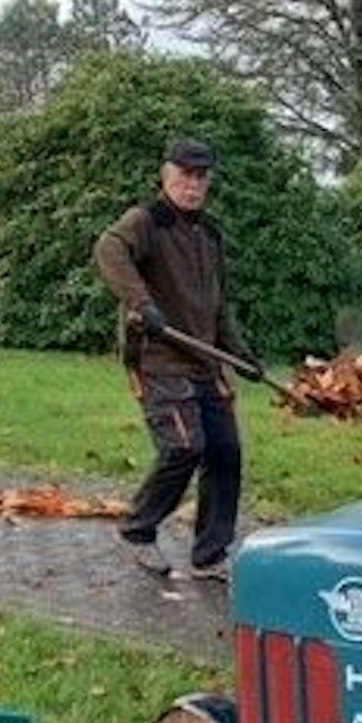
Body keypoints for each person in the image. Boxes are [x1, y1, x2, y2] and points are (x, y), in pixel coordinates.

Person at [92, 138, 260, 581]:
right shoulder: (147, 220)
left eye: (201, 176)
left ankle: (210, 555)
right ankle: (138, 529)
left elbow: (216, 307)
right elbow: (108, 250)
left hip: (204, 362)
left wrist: (240, 354)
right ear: (166, 176)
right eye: (185, 175)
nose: (193, 184)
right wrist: (142, 304)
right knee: (184, 447)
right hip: (158, 360)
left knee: (225, 452)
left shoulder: (210, 235)